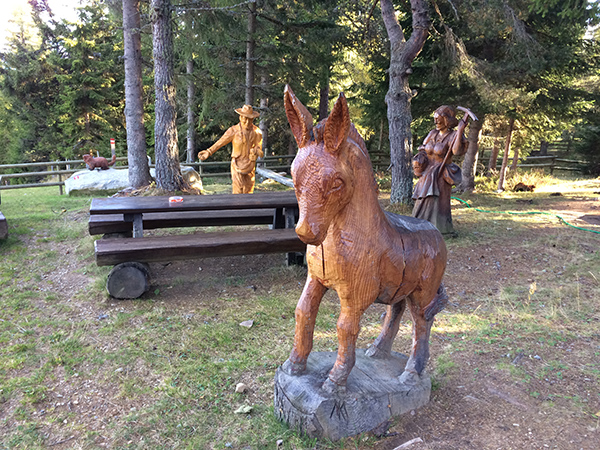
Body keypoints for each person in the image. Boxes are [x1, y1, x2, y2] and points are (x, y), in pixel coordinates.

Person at [412, 105, 471, 235]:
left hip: (441, 172)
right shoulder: (432, 133)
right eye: (435, 119)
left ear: (447, 120)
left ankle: (439, 228)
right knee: (422, 200)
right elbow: (423, 148)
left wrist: (460, 130)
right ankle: (420, 224)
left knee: (437, 202)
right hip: (427, 171)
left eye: (439, 119)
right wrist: (419, 159)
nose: (436, 122)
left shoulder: (453, 135)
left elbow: (456, 151)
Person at [198, 104, 263, 194]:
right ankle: (236, 206)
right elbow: (221, 142)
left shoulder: (257, 132)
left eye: (250, 119)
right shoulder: (233, 131)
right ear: (240, 117)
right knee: (238, 189)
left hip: (250, 164)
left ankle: (248, 207)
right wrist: (209, 151)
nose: (247, 122)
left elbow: (259, 148)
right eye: (245, 118)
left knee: (248, 189)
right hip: (237, 163)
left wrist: (256, 151)